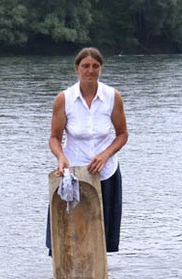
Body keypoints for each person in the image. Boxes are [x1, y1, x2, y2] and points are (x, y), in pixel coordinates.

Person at [48, 47, 129, 253]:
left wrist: (106, 154)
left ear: (101, 69)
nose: (90, 71)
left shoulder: (113, 96)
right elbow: (54, 138)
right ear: (77, 69)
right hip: (74, 173)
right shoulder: (64, 99)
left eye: (95, 66)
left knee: (101, 238)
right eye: (85, 66)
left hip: (106, 172)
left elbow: (122, 134)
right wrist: (61, 157)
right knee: (71, 233)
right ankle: (68, 278)